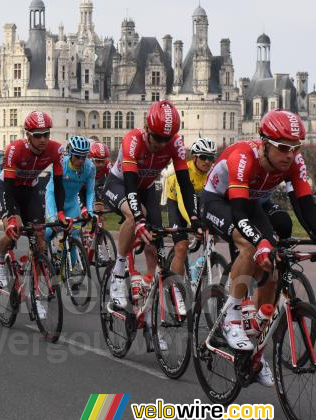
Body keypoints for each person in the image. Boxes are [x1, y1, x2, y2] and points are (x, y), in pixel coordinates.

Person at [201, 110, 316, 386]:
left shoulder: (294, 162)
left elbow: (306, 205)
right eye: (284, 148)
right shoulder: (243, 157)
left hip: (252, 203)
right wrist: (259, 242)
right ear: (265, 143)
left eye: (296, 148)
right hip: (219, 201)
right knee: (250, 245)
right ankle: (232, 315)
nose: (290, 154)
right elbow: (238, 212)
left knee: (272, 261)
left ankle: (255, 344)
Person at [103, 100, 198, 310]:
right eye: (157, 138)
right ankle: (118, 273)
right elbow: (129, 184)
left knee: (155, 241)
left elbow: (185, 183)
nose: (162, 144)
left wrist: (194, 217)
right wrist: (138, 219)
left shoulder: (175, 144)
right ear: (146, 129)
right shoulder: (133, 141)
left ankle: (149, 282)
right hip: (119, 184)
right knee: (137, 214)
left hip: (146, 189)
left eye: (167, 139)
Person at [0, 111, 69, 291]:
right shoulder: (15, 149)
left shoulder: (56, 150)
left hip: (30, 189)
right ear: (28, 135)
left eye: (46, 134)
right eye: (38, 135)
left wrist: (61, 213)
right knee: (15, 229)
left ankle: (37, 291)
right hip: (9, 189)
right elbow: (9, 188)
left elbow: (58, 185)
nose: (43, 139)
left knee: (40, 240)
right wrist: (11, 218)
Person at [165, 136, 216, 276]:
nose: (207, 161)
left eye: (211, 158)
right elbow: (183, 203)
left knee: (215, 230)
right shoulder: (184, 172)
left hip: (198, 200)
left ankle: (199, 264)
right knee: (181, 247)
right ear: (195, 157)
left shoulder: (212, 173)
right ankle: (178, 289)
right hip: (176, 201)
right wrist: (193, 224)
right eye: (204, 157)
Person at [45, 135, 95, 245]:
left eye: (84, 156)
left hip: (72, 202)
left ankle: (65, 257)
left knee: (75, 235)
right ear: (71, 153)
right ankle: (41, 253)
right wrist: (55, 216)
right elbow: (53, 190)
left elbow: (90, 191)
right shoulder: (61, 163)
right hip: (54, 199)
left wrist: (91, 212)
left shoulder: (90, 167)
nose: (81, 160)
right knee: (50, 231)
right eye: (77, 156)